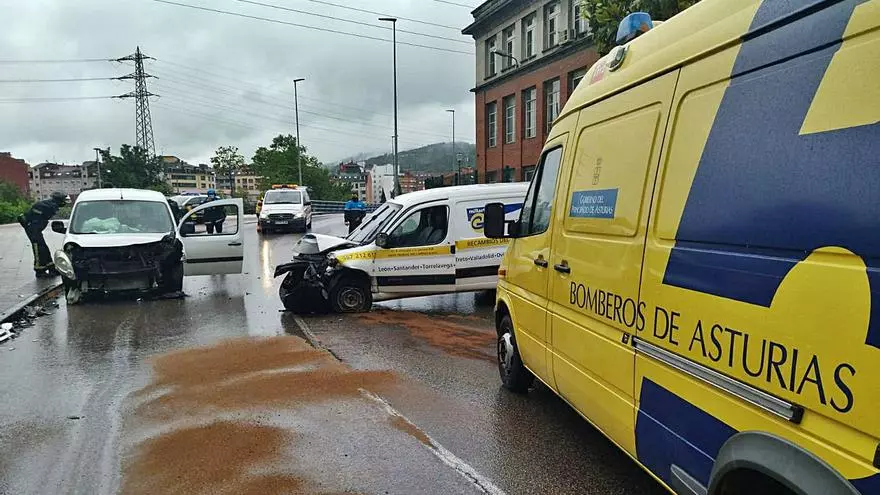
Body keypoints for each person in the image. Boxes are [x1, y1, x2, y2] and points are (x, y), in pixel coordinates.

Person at [19, 191, 67, 278]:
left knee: (44, 247)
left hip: (35, 228)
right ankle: (39, 271)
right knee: (38, 248)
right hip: (32, 228)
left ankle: (51, 268)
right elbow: (36, 216)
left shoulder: (49, 204)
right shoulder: (50, 206)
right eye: (63, 200)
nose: (64, 202)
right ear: (59, 200)